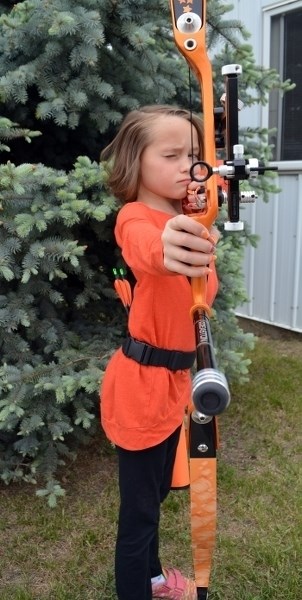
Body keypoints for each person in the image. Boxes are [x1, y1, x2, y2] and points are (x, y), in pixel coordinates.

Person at [100, 105, 218, 600]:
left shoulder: (185, 214)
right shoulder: (138, 219)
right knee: (140, 515)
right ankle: (136, 587)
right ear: (136, 161)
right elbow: (147, 246)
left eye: (193, 154)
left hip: (171, 385)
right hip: (142, 387)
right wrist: (170, 243)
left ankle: (151, 579)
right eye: (171, 155)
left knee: (154, 500)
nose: (186, 166)